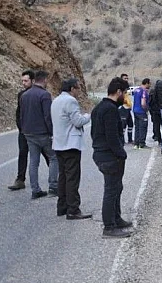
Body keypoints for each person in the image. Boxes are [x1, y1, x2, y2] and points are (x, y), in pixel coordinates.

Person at [91, 77, 133, 238]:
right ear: (118, 92)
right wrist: (121, 153)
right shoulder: (109, 110)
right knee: (111, 190)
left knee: (117, 188)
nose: (126, 97)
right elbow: (112, 136)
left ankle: (116, 218)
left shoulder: (99, 108)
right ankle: (109, 227)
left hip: (102, 154)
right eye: (125, 93)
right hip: (109, 157)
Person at [51, 78, 92, 219]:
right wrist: (88, 116)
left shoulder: (55, 101)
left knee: (62, 176)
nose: (79, 91)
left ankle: (62, 206)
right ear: (72, 89)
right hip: (70, 144)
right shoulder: (70, 101)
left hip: (58, 144)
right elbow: (78, 121)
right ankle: (73, 209)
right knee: (72, 178)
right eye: (78, 88)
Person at [8, 70, 50, 190]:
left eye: (26, 81)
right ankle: (20, 180)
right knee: (23, 153)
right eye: (22, 81)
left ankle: (56, 179)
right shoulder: (21, 95)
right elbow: (19, 113)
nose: (23, 83)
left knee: (47, 154)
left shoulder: (42, 94)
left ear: (33, 81)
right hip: (24, 131)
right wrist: (21, 127)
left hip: (38, 131)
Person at [20, 70, 58, 199]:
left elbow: (21, 115)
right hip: (42, 133)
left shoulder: (24, 95)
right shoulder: (45, 95)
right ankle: (53, 186)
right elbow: (48, 116)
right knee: (53, 158)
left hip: (28, 133)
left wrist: (24, 130)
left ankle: (35, 189)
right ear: (45, 80)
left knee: (33, 162)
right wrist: (52, 132)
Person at [132, 78, 151, 149]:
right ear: (146, 83)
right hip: (141, 111)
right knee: (143, 127)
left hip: (135, 111)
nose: (150, 85)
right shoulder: (143, 91)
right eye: (149, 84)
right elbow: (143, 103)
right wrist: (146, 109)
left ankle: (136, 144)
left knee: (137, 127)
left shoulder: (136, 90)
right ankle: (142, 144)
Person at [118, 73, 133, 145]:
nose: (126, 80)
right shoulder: (119, 87)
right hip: (123, 108)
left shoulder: (127, 87)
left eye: (127, 78)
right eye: (125, 78)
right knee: (123, 125)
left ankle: (130, 140)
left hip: (128, 108)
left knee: (131, 124)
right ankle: (122, 140)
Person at [149, 79, 162, 144]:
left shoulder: (152, 91)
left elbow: (150, 102)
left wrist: (150, 110)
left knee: (156, 125)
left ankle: (158, 138)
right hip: (161, 110)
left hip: (154, 111)